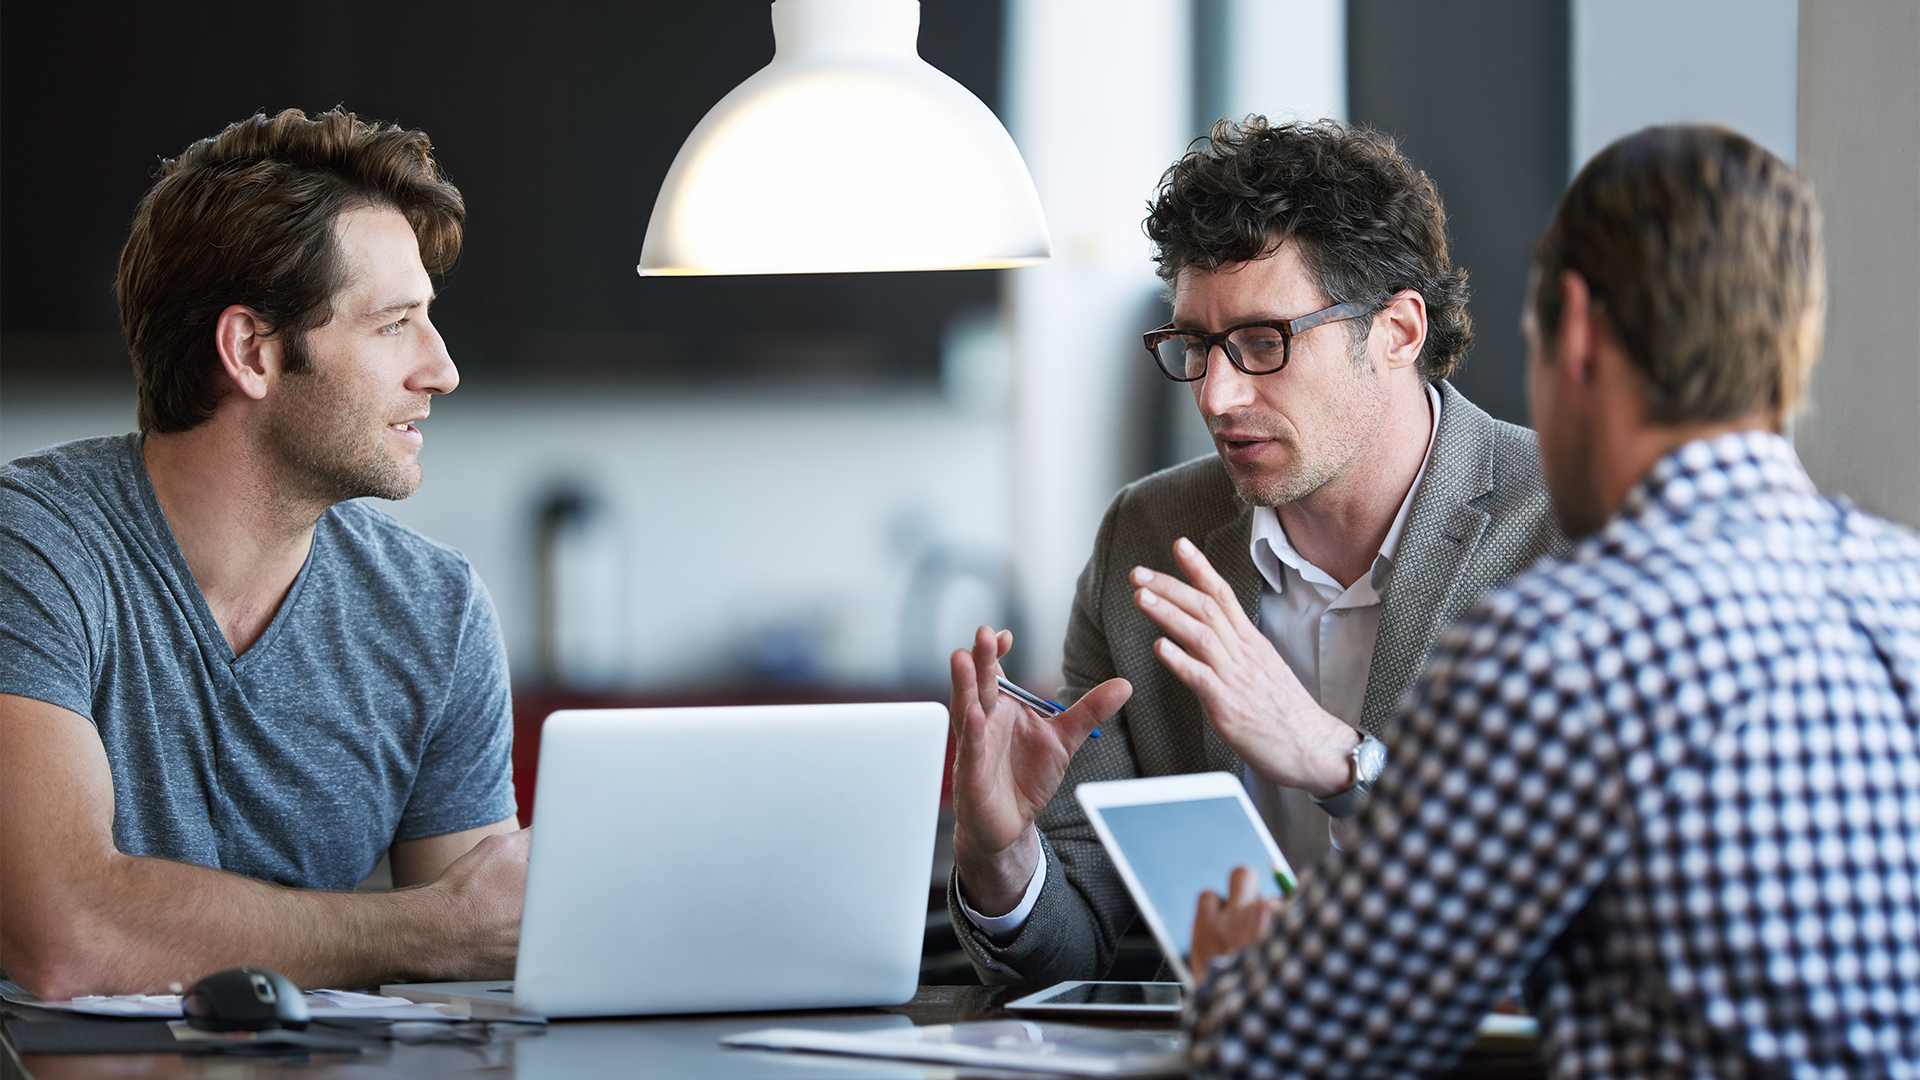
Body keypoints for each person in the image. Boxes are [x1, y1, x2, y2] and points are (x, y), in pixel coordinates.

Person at [1185, 124, 1920, 1076]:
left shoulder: (1559, 649)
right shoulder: (1904, 591)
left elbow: (1296, 1043)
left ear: (1573, 328)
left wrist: (1233, 977)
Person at [945, 117, 1564, 986]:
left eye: (1265, 342)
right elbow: (1075, 941)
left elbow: (1602, 904)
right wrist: (999, 856)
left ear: (1398, 331)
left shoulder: (1570, 528)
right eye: (1196, 345)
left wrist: (1339, 763)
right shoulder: (1148, 539)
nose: (1218, 393)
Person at [0, 108, 526, 1000]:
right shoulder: (34, 551)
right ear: (250, 350)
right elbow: (67, 936)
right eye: (395, 324)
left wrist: (451, 935)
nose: (441, 369)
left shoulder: (435, 610)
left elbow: (487, 944)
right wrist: (424, 930)